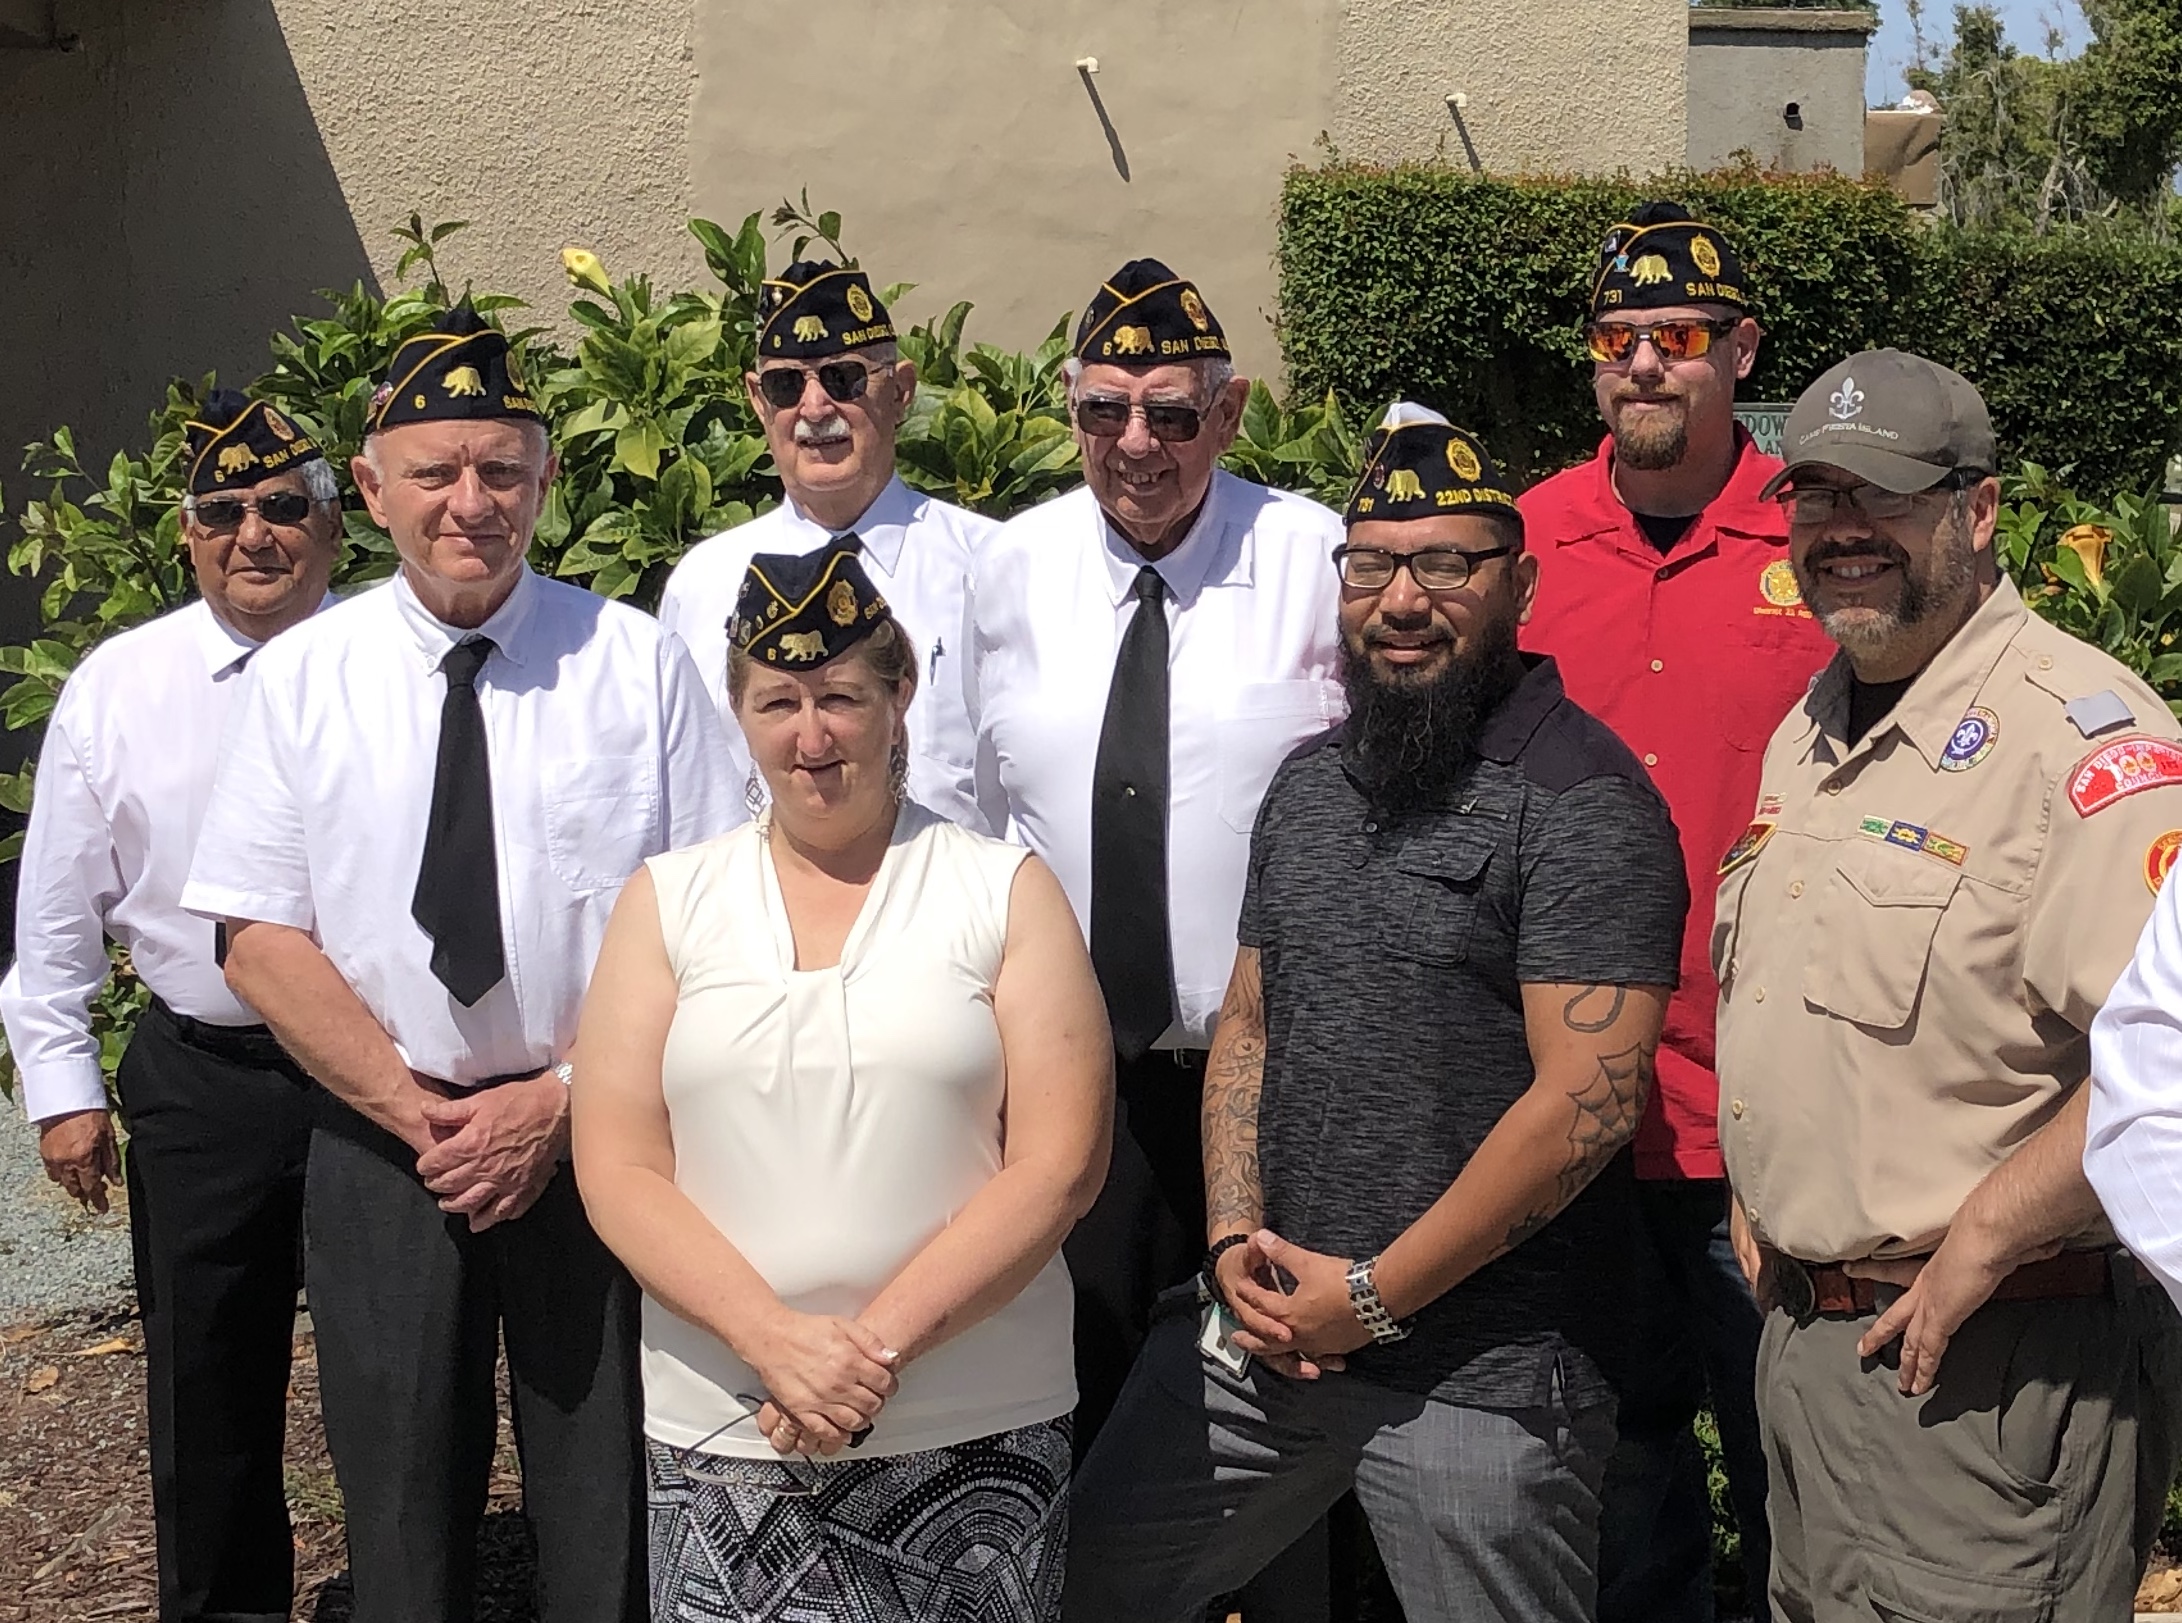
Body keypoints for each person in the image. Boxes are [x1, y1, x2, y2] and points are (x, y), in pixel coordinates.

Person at [1065, 405, 1687, 1623]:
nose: (1401, 601)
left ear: (1518, 582)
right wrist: (1237, 1238)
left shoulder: (1581, 801)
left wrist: (1372, 1298)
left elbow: (1588, 1102)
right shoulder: (1308, 785)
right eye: (1371, 566)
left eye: (1445, 564)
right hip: (1264, 1343)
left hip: (1485, 1373)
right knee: (1084, 1583)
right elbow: (1248, 1023)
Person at [179, 305, 740, 1623]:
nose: (470, 501)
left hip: (598, 1130)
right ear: (372, 489)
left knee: (605, 1486)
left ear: (544, 479)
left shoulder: (635, 659)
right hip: (390, 1138)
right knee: (397, 1488)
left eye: (501, 468)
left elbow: (711, 909)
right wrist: (418, 1111)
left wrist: (556, 1101)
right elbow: (257, 934)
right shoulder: (306, 673)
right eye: (437, 472)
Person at [1713, 350, 2182, 1622]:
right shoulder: (1815, 725)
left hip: (1988, 1367)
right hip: (1812, 1353)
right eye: (1814, 498)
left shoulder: (2084, 744)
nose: (1841, 532)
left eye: (1885, 496)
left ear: (1976, 512)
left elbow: (2170, 1063)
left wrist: (1985, 1234)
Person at [571, 539, 1111, 1621]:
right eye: (777, 703)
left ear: (899, 697)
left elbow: (1059, 1165)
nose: (809, 738)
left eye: (840, 698)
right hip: (728, 1424)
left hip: (973, 1422)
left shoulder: (1001, 889)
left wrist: (870, 1355)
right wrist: (774, 1345)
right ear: (739, 713)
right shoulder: (667, 901)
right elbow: (618, 1165)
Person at [1520, 200, 1825, 1623]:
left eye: (1681, 337)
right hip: (1564, 1104)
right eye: (1617, 337)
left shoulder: (1822, 543)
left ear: (1738, 348)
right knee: (1617, 1464)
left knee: (1792, 1469)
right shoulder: (1519, 544)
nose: (1644, 363)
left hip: (1767, 1108)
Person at [0, 390, 338, 1623]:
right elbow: (57, 904)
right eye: (224, 511)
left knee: (401, 1370)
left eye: (284, 506)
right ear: (189, 537)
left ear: (332, 524)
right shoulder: (119, 684)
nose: (256, 533)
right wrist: (63, 1089)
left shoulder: (396, 663)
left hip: (381, 1077)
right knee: (206, 1382)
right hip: (205, 1077)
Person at [659, 259, 993, 828]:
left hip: (960, 906)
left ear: (902, 390)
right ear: (758, 401)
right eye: (787, 385)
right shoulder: (702, 583)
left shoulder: (990, 566)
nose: (815, 409)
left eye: (844, 379)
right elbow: (690, 796)